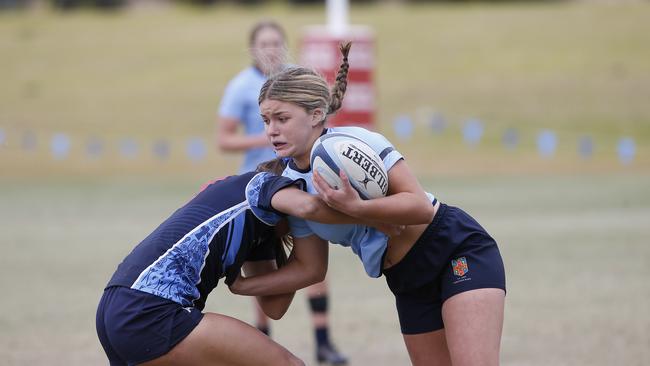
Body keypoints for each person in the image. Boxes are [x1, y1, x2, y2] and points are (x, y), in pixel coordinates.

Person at [229, 43, 507, 366]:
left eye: (281, 118)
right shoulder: (291, 186)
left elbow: (420, 208)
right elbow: (311, 267)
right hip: (405, 278)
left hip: (453, 249)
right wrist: (242, 284)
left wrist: (357, 208)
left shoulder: (355, 143)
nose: (271, 130)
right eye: (265, 120)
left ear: (316, 114)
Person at [96, 166, 399, 365]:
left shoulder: (259, 229)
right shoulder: (258, 186)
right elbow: (307, 207)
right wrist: (369, 214)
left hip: (117, 307)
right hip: (149, 310)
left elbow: (275, 307)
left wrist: (249, 283)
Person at [216, 20, 347, 365]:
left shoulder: (293, 84)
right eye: (263, 43)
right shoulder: (241, 87)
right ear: (252, 48)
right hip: (263, 186)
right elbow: (224, 138)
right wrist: (269, 134)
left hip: (301, 178)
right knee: (266, 261)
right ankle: (263, 341)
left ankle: (323, 340)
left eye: (276, 42)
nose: (270, 49)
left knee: (312, 257)